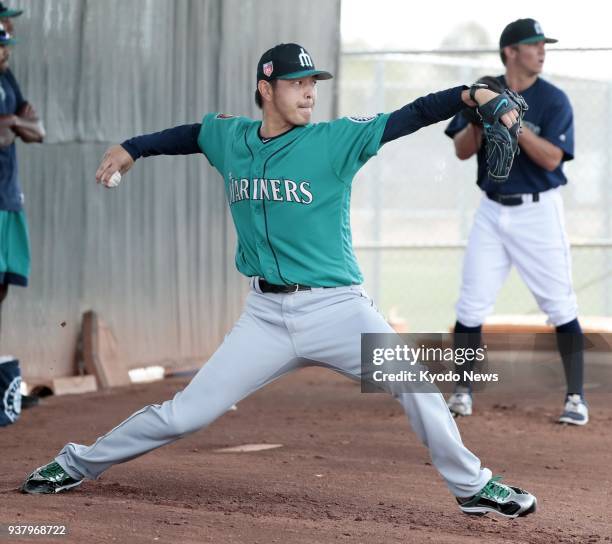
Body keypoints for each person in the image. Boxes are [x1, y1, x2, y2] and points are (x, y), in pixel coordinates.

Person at [22, 42, 536, 519]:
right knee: (184, 415)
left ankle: (472, 487)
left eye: (313, 81)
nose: (309, 91)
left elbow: (414, 114)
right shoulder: (232, 138)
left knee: (416, 387)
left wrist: (472, 94)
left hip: (337, 309)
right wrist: (132, 148)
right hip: (264, 318)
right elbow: (191, 135)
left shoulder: (335, 140)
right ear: (266, 89)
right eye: (296, 82)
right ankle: (75, 464)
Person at [444, 19, 587, 425]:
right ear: (511, 51)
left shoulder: (554, 100)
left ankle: (575, 397)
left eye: (544, 44)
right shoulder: (483, 88)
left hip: (538, 211)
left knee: (560, 304)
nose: (542, 51)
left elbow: (551, 158)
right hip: (491, 210)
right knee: (470, 304)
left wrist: (511, 120)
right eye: (534, 44)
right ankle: (462, 392)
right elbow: (460, 151)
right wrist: (479, 113)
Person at [0, 21, 45, 412]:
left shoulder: (8, 77)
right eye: (0, 46)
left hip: (8, 198)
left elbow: (39, 130)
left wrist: (14, 122)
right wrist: (17, 122)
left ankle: (1, 386)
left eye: (7, 45)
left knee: (3, 286)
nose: (4, 53)